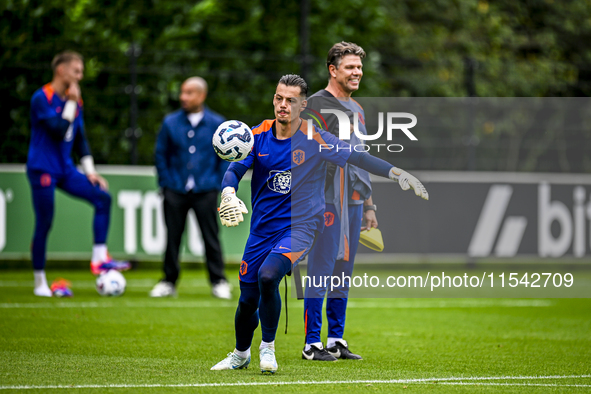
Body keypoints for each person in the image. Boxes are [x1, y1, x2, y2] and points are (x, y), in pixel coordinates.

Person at [210, 74, 428, 374]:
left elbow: (358, 158)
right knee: (248, 299)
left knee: (269, 276)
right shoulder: (256, 134)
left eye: (290, 100)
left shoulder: (316, 138)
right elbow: (235, 170)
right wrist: (228, 192)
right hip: (262, 230)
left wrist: (397, 173)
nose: (282, 105)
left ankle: (268, 349)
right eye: (278, 98)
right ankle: (240, 354)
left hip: (301, 227)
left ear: (302, 105)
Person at [27, 51, 130, 297]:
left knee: (102, 197)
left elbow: (80, 138)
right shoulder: (42, 97)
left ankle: (98, 258)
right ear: (61, 71)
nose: (80, 76)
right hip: (42, 168)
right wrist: (72, 102)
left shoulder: (76, 101)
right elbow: (58, 130)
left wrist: (91, 172)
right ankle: (40, 281)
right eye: (77, 71)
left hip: (65, 168)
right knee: (44, 222)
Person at [300, 41, 373, 361]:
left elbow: (363, 159)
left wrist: (370, 205)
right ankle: (311, 344)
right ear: (333, 70)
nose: (357, 72)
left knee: (344, 269)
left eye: (359, 67)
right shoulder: (314, 104)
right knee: (320, 268)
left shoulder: (357, 109)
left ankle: (336, 339)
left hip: (354, 201)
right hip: (326, 199)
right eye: (350, 67)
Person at [152, 77, 231, 299]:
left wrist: (218, 183)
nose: (183, 97)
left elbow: (225, 156)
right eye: (182, 92)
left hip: (206, 190)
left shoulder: (217, 123)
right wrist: (166, 183)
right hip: (174, 189)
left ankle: (219, 281)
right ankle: (168, 281)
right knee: (172, 237)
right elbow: (161, 154)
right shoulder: (170, 122)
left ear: (202, 95)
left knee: (211, 236)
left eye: (189, 93)